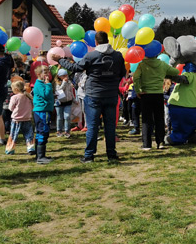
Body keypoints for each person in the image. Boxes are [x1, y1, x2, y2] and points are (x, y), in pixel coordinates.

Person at [54, 31, 127, 163]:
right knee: (110, 127)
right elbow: (122, 72)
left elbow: (75, 67)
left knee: (92, 126)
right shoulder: (117, 56)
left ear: (96, 42)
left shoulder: (91, 55)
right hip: (111, 94)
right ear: (108, 41)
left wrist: (60, 60)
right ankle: (111, 155)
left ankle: (89, 156)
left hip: (94, 95)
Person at [133, 53, 182, 150]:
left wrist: (138, 90)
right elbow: (176, 71)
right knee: (159, 118)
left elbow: (136, 77)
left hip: (146, 94)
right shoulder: (162, 64)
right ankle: (160, 142)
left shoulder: (142, 65)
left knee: (146, 119)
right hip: (158, 94)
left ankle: (147, 144)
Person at [6, 79, 35, 155]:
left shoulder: (14, 97)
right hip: (27, 118)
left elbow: (10, 108)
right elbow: (32, 106)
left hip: (17, 119)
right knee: (29, 134)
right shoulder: (29, 96)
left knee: (13, 135)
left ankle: (10, 149)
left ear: (16, 89)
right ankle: (31, 148)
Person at [32, 66, 54, 164]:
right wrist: (48, 84)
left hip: (44, 110)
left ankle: (39, 154)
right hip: (42, 111)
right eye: (45, 73)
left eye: (48, 72)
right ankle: (40, 156)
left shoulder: (42, 84)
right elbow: (45, 95)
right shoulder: (39, 84)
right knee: (43, 131)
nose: (47, 74)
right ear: (38, 74)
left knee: (41, 132)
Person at [54, 69, 75, 138]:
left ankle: (67, 131)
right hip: (59, 102)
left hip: (68, 102)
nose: (66, 77)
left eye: (66, 75)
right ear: (59, 76)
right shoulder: (57, 83)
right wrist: (64, 82)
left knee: (67, 116)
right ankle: (59, 130)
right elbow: (59, 90)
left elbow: (70, 92)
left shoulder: (69, 82)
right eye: (63, 76)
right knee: (59, 117)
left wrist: (74, 99)